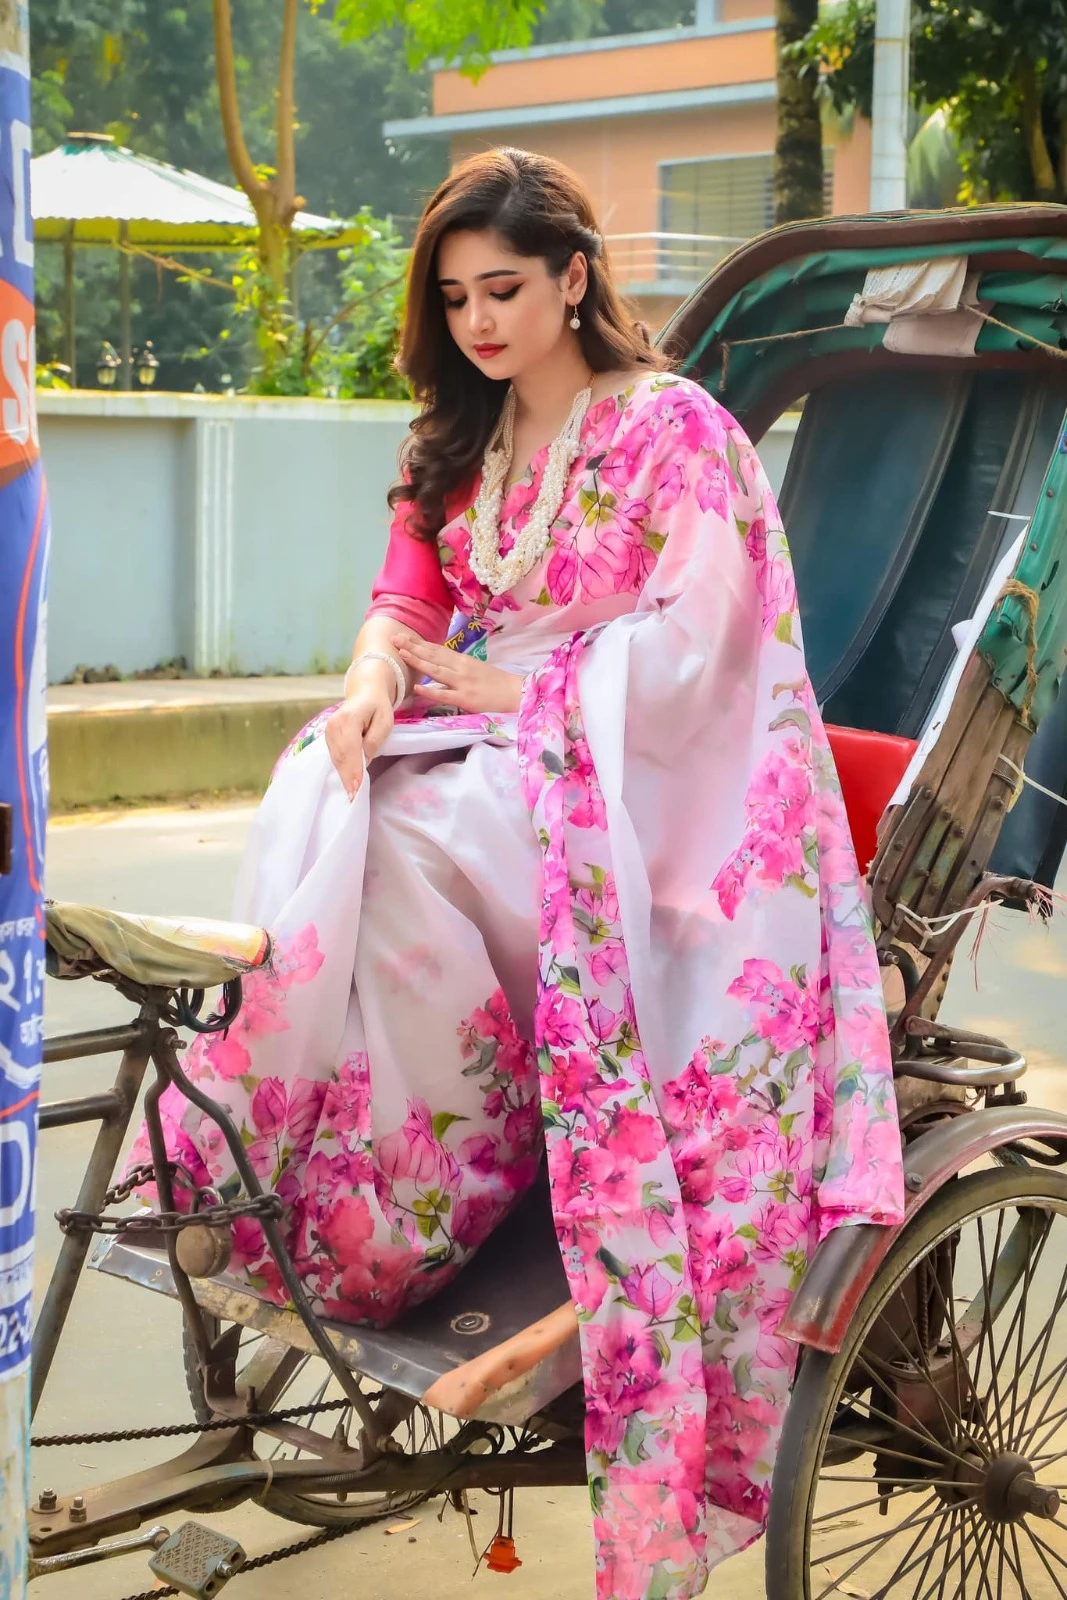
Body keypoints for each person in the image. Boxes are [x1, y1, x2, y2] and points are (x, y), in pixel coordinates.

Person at [138, 148, 904, 1600]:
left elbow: (714, 648)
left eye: (503, 288)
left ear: (573, 277)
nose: (478, 320)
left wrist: (527, 700)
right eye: (455, 297)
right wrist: (373, 686)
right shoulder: (459, 433)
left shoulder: (673, 429)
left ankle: (425, 1198)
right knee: (323, 789)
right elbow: (403, 598)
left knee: (411, 857)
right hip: (478, 725)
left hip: (637, 767)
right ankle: (325, 1168)